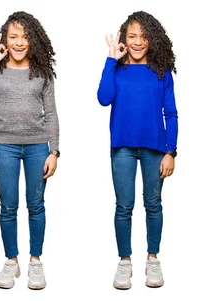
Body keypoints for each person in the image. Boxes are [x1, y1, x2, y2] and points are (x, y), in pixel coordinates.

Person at [0, 11, 59, 290]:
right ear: (5, 40)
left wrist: (54, 151)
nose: (19, 42)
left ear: (33, 41)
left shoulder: (43, 73)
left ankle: (35, 260)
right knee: (8, 207)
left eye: (25, 37)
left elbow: (52, 114)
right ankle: (11, 260)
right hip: (6, 148)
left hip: (38, 147)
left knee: (36, 205)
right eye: (13, 37)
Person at [97, 11, 178, 290]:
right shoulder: (117, 69)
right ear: (124, 38)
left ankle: (152, 258)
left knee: (153, 205)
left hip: (155, 149)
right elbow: (103, 98)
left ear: (152, 39)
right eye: (132, 36)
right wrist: (110, 59)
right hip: (122, 149)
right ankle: (125, 261)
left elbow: (172, 113)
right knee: (124, 206)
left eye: (143, 36)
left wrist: (171, 151)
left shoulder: (161, 72)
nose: (138, 41)